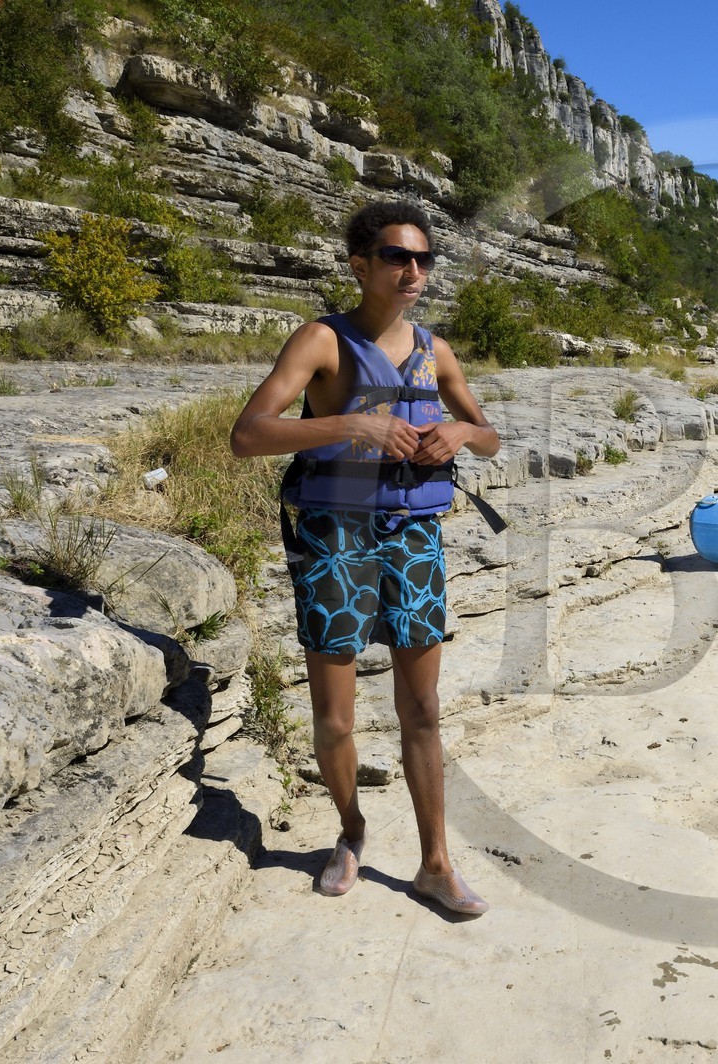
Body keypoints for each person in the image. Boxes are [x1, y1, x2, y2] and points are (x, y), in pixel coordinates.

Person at [230, 200, 500, 915]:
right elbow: (248, 434)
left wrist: (459, 436)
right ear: (361, 265)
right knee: (338, 720)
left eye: (423, 259)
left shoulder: (435, 351)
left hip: (413, 539)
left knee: (422, 708)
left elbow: (489, 433)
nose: (413, 270)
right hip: (335, 537)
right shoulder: (322, 340)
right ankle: (350, 830)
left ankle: (436, 863)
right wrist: (350, 423)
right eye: (396, 257)